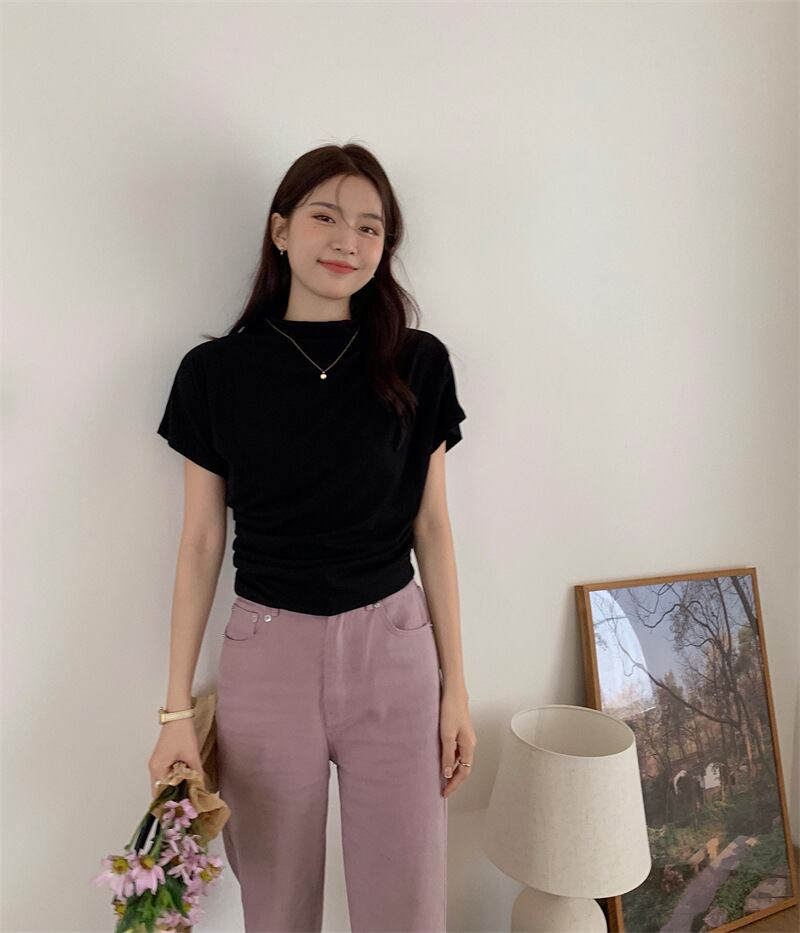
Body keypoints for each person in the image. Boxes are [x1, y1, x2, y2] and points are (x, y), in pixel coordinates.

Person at [149, 142, 476, 932]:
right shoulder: (214, 374)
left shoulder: (417, 363)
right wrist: (174, 712)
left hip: (395, 651)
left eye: (370, 228)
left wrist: (455, 687)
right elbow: (201, 542)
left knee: (406, 905)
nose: (346, 241)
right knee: (278, 905)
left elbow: (432, 527)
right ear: (281, 229)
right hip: (267, 657)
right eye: (325, 217)